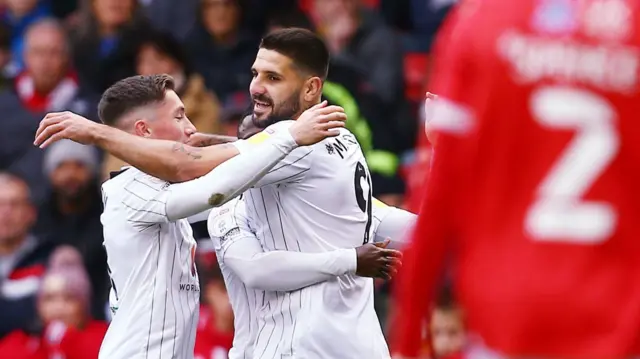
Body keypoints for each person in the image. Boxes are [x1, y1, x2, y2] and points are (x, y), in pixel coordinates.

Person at [33, 29, 409, 358]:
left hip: (299, 345)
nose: (256, 87)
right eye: (255, 74)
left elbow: (210, 162)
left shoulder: (286, 153)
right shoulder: (330, 141)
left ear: (311, 88)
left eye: (272, 77)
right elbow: (205, 174)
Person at [392, 1, 640, 359]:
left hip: (503, 321)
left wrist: (407, 339)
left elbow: (437, 196)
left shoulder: (480, 22)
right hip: (620, 322)